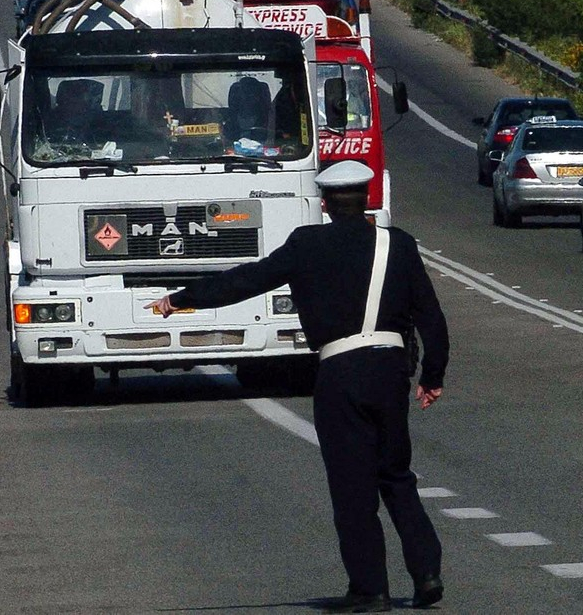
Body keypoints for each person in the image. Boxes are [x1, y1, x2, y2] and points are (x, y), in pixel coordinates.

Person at [146, 161, 448, 613]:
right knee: (396, 475)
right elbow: (431, 316)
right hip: (389, 371)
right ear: (367, 199)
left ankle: (371, 589)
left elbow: (246, 280)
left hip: (340, 371)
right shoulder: (398, 245)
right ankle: (426, 574)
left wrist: (181, 298)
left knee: (352, 486)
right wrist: (432, 376)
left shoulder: (307, 245)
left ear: (324, 204)